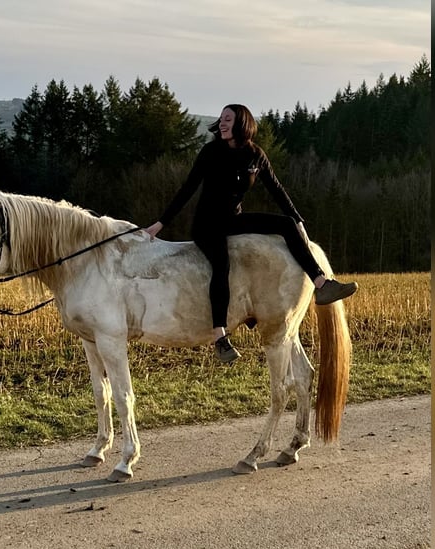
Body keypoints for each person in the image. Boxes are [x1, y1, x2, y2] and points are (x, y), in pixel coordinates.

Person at [145, 104, 358, 364]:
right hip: (207, 225)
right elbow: (187, 189)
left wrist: (299, 221)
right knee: (221, 265)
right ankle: (220, 337)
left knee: (287, 225)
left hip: (233, 220)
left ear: (242, 124)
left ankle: (322, 284)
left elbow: (276, 189)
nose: (222, 123)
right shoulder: (210, 152)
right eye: (221, 119)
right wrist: (160, 223)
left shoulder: (255, 155)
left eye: (227, 119)